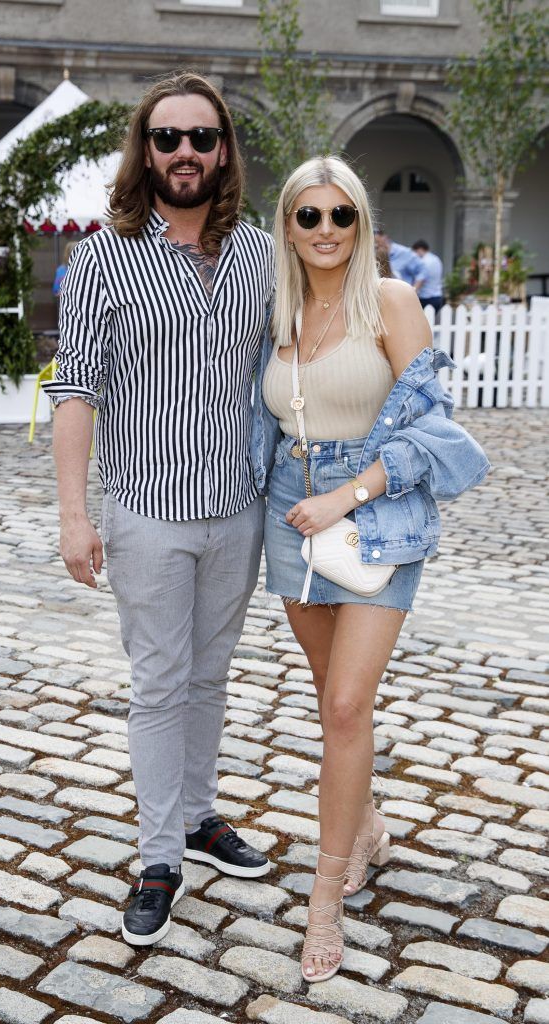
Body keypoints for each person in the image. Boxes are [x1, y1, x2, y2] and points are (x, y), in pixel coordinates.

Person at [43, 71, 275, 948]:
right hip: (146, 512)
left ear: (224, 152)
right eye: (168, 138)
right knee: (159, 683)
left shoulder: (257, 253)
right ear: (146, 150)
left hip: (238, 510)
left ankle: (200, 817)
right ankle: (157, 858)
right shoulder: (106, 253)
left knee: (211, 677)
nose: (185, 152)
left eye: (202, 138)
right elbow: (75, 392)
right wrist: (76, 517)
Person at [251, 155, 490, 983]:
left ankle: (324, 895)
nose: (325, 232)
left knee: (350, 702)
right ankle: (369, 822)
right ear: (288, 225)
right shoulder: (275, 309)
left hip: (375, 514)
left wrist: (346, 497)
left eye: (340, 215)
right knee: (332, 702)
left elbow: (432, 432)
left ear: (362, 222)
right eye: (308, 217)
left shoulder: (388, 302)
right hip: (292, 508)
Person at [412, 239, 444, 313]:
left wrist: (411, 293)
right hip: (437, 296)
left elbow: (421, 280)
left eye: (415, 252)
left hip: (426, 298)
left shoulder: (423, 262)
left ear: (420, 249)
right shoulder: (436, 259)